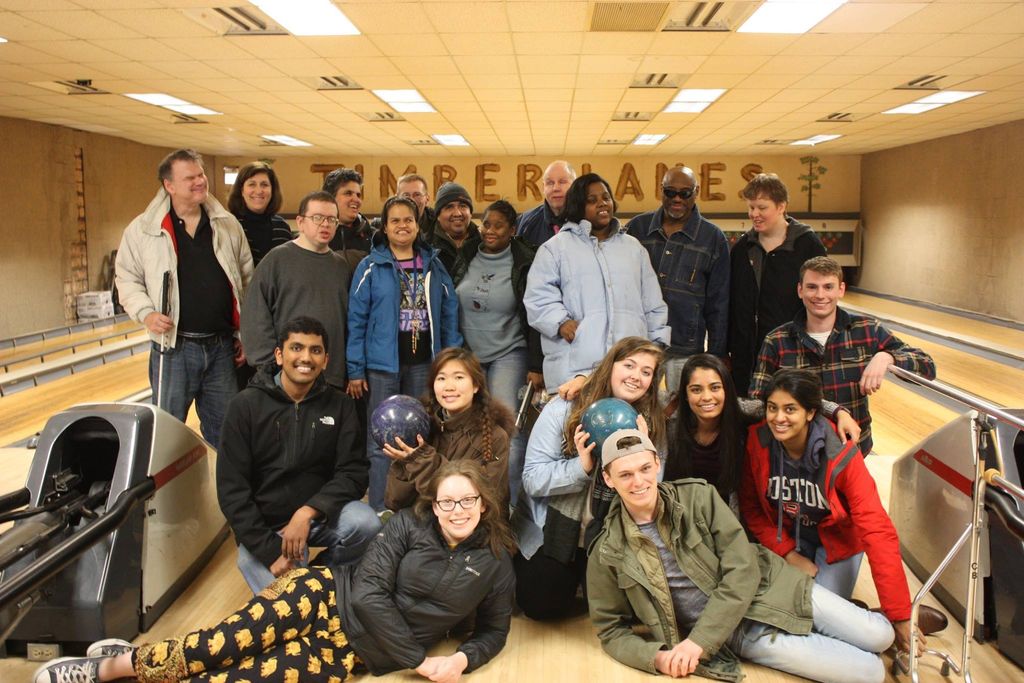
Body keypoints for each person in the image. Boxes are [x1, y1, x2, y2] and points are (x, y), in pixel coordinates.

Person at [34, 461, 516, 683]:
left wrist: (462, 660)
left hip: (352, 654)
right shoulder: (408, 524)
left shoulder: (496, 562)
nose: (457, 510)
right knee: (218, 645)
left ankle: (139, 666)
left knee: (236, 679)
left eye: (467, 501)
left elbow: (494, 631)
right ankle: (112, 668)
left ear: (483, 503)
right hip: (324, 596)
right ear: (434, 505)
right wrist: (420, 660)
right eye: (447, 501)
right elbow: (368, 592)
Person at [587, 428, 910, 683]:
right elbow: (610, 630)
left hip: (772, 587)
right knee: (870, 672)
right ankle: (851, 622)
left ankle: (865, 622)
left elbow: (742, 568)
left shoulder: (699, 496)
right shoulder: (607, 550)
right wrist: (655, 657)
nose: (639, 481)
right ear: (608, 479)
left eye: (645, 468)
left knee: (880, 635)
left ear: (657, 464)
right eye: (625, 474)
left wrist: (698, 641)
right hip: (741, 634)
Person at [740, 369, 947, 657]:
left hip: (836, 544)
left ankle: (887, 620)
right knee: (799, 616)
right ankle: (866, 616)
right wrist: (788, 554)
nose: (778, 418)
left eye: (790, 409)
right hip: (788, 540)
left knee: (809, 619)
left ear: (811, 412)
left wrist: (900, 614)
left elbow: (877, 530)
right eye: (772, 408)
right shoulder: (759, 441)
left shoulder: (840, 452)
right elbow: (752, 509)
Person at [217, 316, 381, 593]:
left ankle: (322, 581)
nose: (306, 357)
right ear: (279, 355)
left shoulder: (340, 405)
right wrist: (269, 551)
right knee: (278, 593)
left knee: (366, 523)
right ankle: (306, 590)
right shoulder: (244, 406)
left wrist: (307, 512)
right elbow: (231, 491)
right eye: (296, 348)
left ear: (325, 361)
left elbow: (353, 472)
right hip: (268, 527)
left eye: (315, 350)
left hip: (319, 516)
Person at [512, 337, 666, 620]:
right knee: (541, 604)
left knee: (632, 611)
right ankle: (573, 579)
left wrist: (640, 454)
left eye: (646, 372)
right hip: (552, 530)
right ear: (610, 367)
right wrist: (581, 468)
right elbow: (533, 479)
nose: (636, 376)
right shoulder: (564, 407)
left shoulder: (650, 423)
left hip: (610, 535)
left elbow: (650, 501)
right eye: (629, 365)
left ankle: (589, 578)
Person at [114, 148, 253, 447]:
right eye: (189, 178)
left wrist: (242, 332)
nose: (199, 181)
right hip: (174, 349)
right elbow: (126, 278)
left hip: (221, 347)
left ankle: (220, 479)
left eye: (201, 175)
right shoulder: (143, 230)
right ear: (169, 185)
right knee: (166, 433)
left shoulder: (227, 224)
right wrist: (146, 313)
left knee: (226, 432)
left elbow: (245, 280)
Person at [750, 256, 936, 454]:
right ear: (800, 290)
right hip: (797, 452)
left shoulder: (867, 330)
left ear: (841, 289)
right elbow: (759, 399)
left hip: (853, 449)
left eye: (828, 287)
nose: (820, 295)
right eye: (812, 287)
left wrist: (887, 357)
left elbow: (927, 367)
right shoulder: (777, 340)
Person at [347, 195, 463, 512]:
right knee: (380, 440)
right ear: (384, 227)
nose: (402, 226)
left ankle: (414, 508)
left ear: (417, 225)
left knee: (420, 437)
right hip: (382, 367)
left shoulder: (433, 265)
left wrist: (450, 359)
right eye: (395, 220)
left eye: (408, 220)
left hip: (424, 365)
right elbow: (356, 319)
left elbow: (449, 312)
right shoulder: (370, 267)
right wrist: (355, 368)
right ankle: (380, 510)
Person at [524, 173, 669, 397]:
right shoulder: (555, 248)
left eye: (606, 197)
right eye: (592, 200)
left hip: (629, 369)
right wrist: (560, 322)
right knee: (575, 422)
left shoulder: (634, 248)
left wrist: (656, 346)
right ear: (577, 206)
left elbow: (653, 303)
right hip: (574, 370)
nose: (602, 203)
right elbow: (537, 296)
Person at [665, 353, 860, 506]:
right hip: (686, 516)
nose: (706, 397)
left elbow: (793, 399)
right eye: (696, 390)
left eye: (715, 387)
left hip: (732, 522)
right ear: (685, 394)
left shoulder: (743, 411)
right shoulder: (673, 424)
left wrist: (838, 412)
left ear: (727, 389)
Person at [453, 199, 544, 506]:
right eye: (486, 224)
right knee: (470, 432)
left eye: (498, 226)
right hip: (469, 355)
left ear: (512, 230)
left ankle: (511, 508)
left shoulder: (524, 261)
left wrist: (536, 364)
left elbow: (534, 316)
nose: (490, 231)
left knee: (508, 430)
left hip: (509, 352)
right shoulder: (466, 254)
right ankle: (474, 503)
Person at [627, 166, 729, 400]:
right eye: (670, 192)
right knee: (636, 407)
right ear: (660, 190)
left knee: (682, 412)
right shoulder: (637, 229)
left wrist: (715, 356)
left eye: (685, 193)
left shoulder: (713, 238)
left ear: (696, 192)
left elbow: (719, 303)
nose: (677, 199)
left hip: (685, 348)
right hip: (639, 343)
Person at [728, 172, 826, 396]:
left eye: (762, 208)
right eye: (751, 207)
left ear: (781, 206)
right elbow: (732, 303)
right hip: (746, 357)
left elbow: (822, 300)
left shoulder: (807, 245)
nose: (755, 214)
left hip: (793, 354)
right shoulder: (742, 248)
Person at [241, 190, 352, 388]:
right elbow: (255, 317)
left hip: (330, 376)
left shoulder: (341, 267)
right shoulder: (276, 260)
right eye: (317, 218)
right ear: (300, 222)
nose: (325, 224)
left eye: (331, 219)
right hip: (285, 376)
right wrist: (269, 367)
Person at [384, 347, 515, 513]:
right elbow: (395, 501)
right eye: (441, 378)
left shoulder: (495, 436)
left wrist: (423, 460)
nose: (449, 386)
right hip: (425, 520)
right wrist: (405, 462)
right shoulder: (421, 429)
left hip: (472, 524)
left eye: (459, 377)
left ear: (476, 385)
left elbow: (480, 503)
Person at [226, 161, 292, 267]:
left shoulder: (282, 227)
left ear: (272, 190)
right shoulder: (229, 226)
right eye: (252, 184)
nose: (259, 191)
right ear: (241, 190)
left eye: (264, 185)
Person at [323, 167, 374, 270]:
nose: (356, 199)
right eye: (348, 193)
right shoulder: (315, 237)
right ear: (330, 198)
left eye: (358, 195)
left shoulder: (374, 238)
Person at [516, 160, 576, 246]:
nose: (555, 188)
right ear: (543, 187)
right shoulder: (525, 222)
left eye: (562, 182)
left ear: (574, 185)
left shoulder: (588, 221)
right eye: (550, 183)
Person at [430, 181, 481, 279]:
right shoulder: (427, 247)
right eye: (449, 207)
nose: (457, 213)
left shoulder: (485, 244)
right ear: (438, 216)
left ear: (470, 213)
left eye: (463, 206)